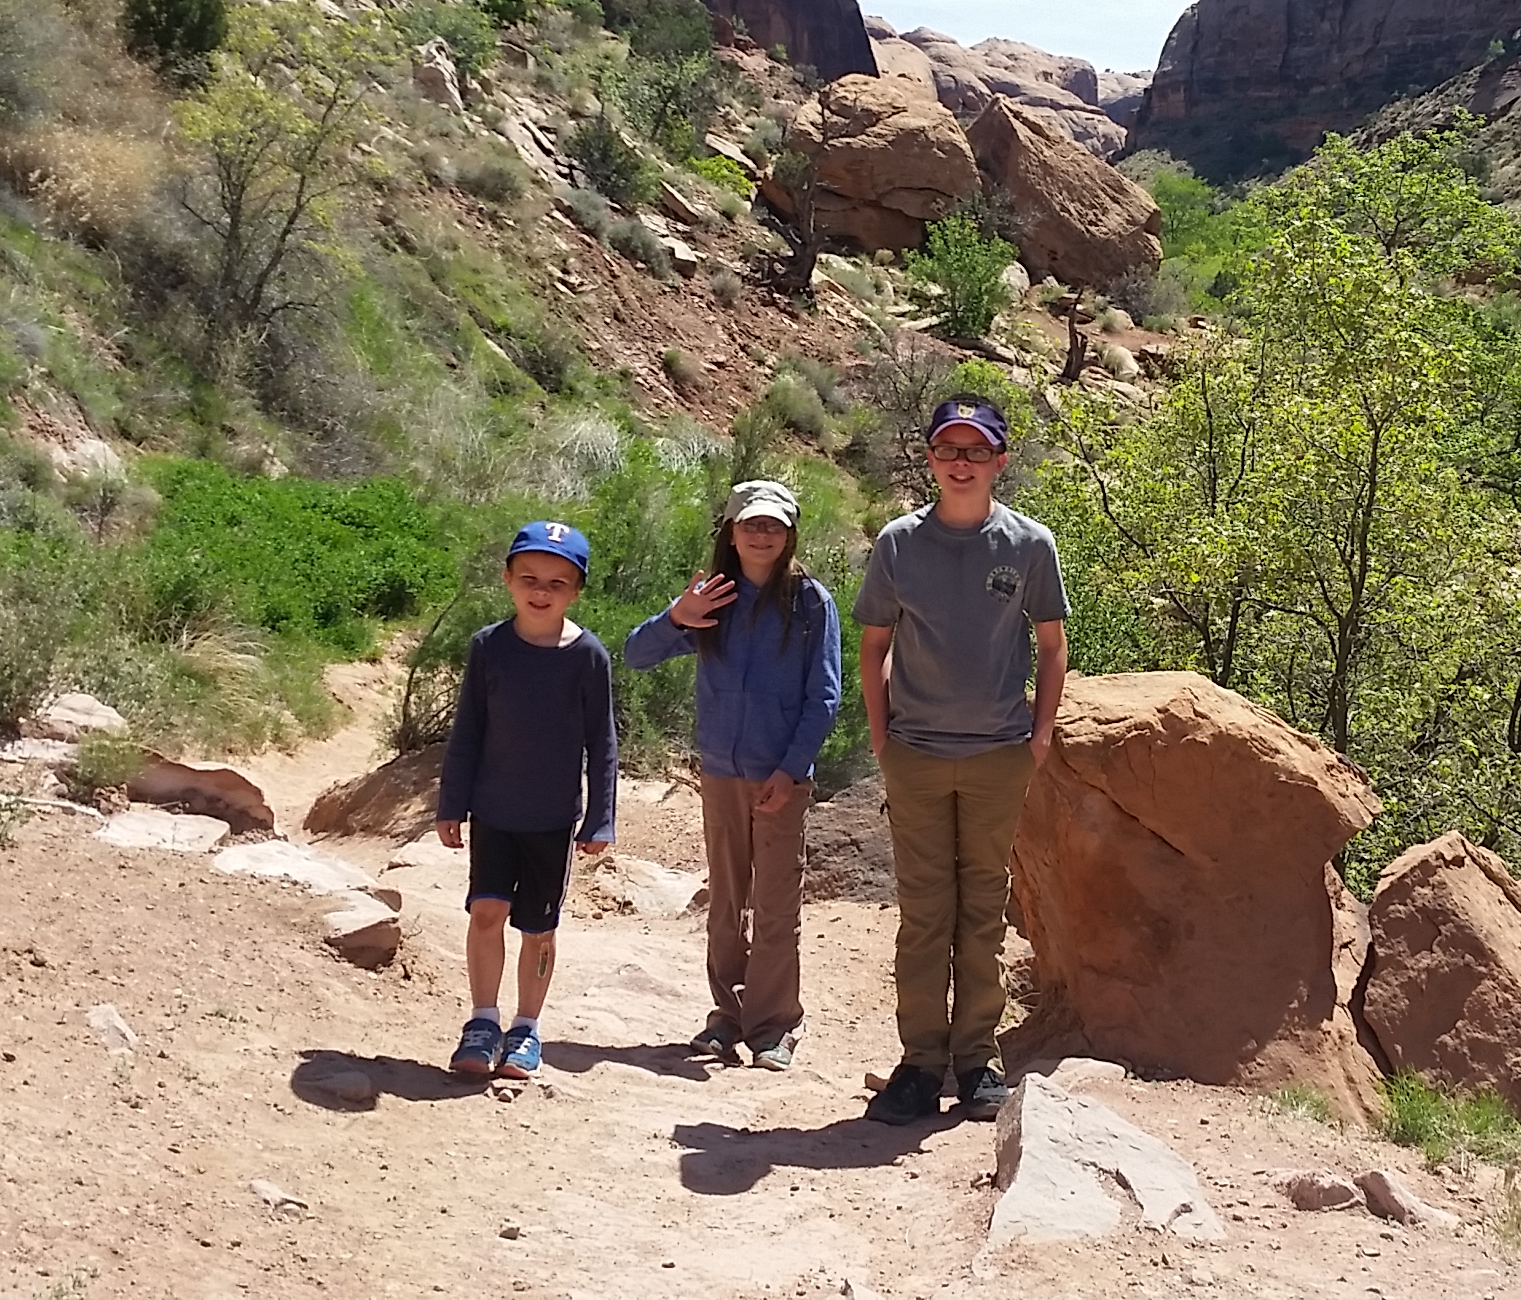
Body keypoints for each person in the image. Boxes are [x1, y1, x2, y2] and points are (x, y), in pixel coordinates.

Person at [851, 395, 1066, 1124]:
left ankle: (975, 1063)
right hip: (915, 753)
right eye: (950, 450)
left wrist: (1039, 736)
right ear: (933, 460)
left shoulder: (1030, 544)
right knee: (923, 916)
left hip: (998, 756)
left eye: (977, 451)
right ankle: (919, 1064)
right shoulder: (899, 544)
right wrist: (882, 737)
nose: (962, 463)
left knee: (981, 912)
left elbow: (1052, 644)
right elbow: (874, 645)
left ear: (1000, 461)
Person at [622, 478, 842, 1072]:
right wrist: (677, 617)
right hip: (720, 771)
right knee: (725, 899)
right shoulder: (712, 597)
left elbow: (823, 696)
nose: (761, 534)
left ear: (790, 531)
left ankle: (773, 1024)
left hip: (780, 778)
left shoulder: (809, 602)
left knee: (775, 905)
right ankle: (726, 1015)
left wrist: (791, 769)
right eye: (750, 523)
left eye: (772, 524)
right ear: (731, 531)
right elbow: (637, 654)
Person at [436, 519, 618, 1083]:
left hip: (551, 818)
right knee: (486, 910)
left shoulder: (588, 657)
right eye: (530, 578)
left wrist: (601, 816)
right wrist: (452, 803)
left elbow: (602, 740)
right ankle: (483, 1022)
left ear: (577, 590)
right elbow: (468, 730)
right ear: (508, 580)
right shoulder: (489, 647)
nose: (542, 591)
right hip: (494, 809)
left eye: (558, 583)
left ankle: (526, 1028)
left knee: (538, 927)